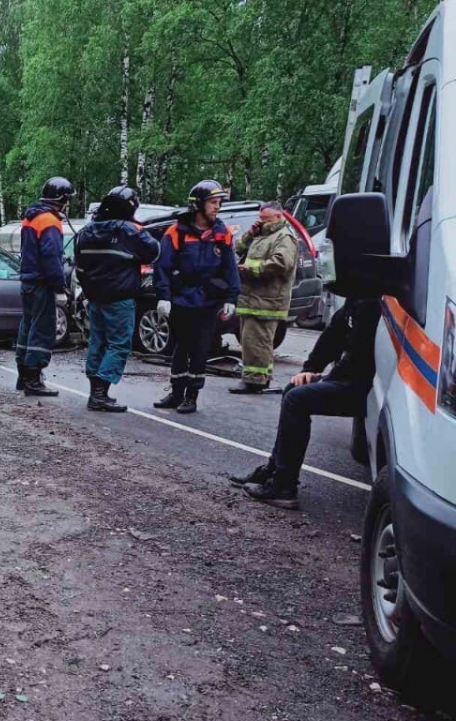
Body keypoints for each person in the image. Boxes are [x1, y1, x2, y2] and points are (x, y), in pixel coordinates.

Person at [231, 298, 380, 509]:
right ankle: (274, 469)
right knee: (293, 389)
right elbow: (331, 338)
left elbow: (359, 360)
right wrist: (308, 370)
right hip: (357, 380)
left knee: (297, 400)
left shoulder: (371, 305)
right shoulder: (356, 301)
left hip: (366, 387)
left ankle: (284, 487)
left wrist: (327, 379)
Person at [152, 179, 240, 414]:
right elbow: (163, 267)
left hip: (208, 301)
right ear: (198, 205)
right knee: (180, 347)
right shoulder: (176, 232)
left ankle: (192, 395)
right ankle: (176, 392)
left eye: (219, 202)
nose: (217, 207)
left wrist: (232, 298)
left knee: (200, 348)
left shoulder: (222, 234)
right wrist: (164, 296)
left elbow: (230, 269)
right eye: (213, 202)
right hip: (181, 300)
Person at [74, 185, 161, 412]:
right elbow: (154, 251)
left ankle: (96, 391)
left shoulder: (86, 231)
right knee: (119, 344)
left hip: (95, 298)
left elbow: (79, 266)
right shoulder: (128, 230)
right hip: (120, 298)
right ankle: (101, 393)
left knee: (98, 342)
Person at [229, 202, 299, 394]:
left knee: (257, 342)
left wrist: (253, 270)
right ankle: (260, 378)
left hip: (267, 300)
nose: (261, 222)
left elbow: (281, 264)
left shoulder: (284, 237)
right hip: (253, 298)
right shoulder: (261, 235)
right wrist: (250, 233)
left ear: (278, 217)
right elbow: (238, 248)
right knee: (251, 341)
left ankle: (255, 381)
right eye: (260, 218)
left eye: (265, 219)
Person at [15, 176, 72, 397]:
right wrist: (60, 287)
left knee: (27, 327)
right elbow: (51, 258)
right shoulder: (50, 221)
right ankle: (33, 379)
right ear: (62, 198)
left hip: (28, 281)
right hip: (42, 284)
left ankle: (24, 374)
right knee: (42, 330)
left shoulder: (31, 218)